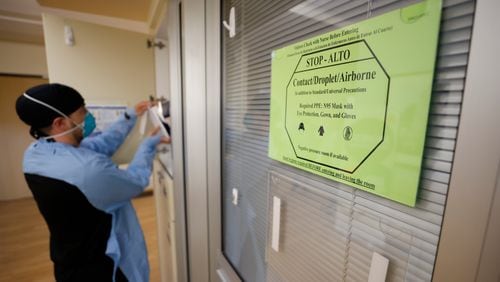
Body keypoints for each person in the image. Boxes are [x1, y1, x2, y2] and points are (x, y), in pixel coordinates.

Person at [15, 83, 168, 282]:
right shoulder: (88, 170)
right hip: (103, 266)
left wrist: (129, 116)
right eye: (82, 111)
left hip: (66, 259)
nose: (88, 115)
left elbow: (100, 145)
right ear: (60, 123)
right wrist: (148, 146)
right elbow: (135, 181)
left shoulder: (36, 154)